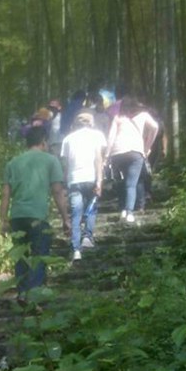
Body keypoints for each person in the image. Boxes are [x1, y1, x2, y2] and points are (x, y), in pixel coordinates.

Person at [0, 126, 70, 300]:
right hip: (38, 217)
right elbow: (57, 191)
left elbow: (5, 194)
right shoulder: (51, 161)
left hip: (17, 217)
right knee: (39, 256)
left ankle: (23, 293)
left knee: (21, 256)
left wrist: (3, 220)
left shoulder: (13, 163)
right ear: (44, 141)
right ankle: (35, 298)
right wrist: (65, 218)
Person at [60, 110, 107, 261]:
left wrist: (65, 182)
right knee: (91, 209)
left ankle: (76, 250)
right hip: (91, 177)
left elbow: (66, 164)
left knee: (75, 214)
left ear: (76, 123)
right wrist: (99, 180)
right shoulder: (97, 135)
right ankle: (87, 237)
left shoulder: (68, 139)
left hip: (74, 180)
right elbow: (98, 159)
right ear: (91, 123)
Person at [105, 97, 159, 224]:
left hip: (117, 153)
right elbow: (155, 127)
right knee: (131, 184)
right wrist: (147, 146)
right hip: (135, 152)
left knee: (121, 182)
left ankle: (123, 209)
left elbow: (111, 137)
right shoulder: (143, 115)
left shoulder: (118, 117)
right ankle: (129, 212)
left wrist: (107, 155)